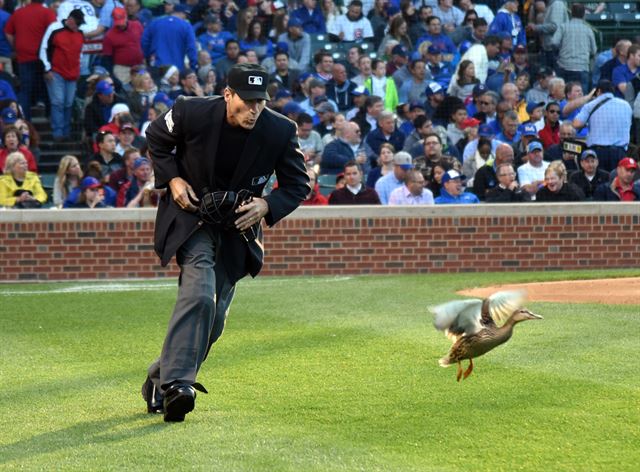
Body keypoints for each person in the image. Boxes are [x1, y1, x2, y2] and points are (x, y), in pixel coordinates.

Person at [142, 64, 309, 422]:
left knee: (214, 320)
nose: (254, 110)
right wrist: (172, 180)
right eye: (246, 102)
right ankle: (177, 387)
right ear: (227, 94)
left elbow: (298, 184)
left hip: (238, 230)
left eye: (260, 103)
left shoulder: (280, 130)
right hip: (192, 219)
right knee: (200, 294)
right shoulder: (191, 110)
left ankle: (161, 376)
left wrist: (267, 204)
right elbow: (156, 137)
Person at [3, 0, 57, 121]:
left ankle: (25, 120)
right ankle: (50, 117)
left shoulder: (19, 13)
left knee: (25, 90)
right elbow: (55, 33)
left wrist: (16, 46)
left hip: (24, 56)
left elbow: (8, 32)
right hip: (42, 58)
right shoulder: (48, 13)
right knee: (47, 89)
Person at [39, 8, 85, 141]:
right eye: (77, 23)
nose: (78, 26)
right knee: (58, 102)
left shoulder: (80, 34)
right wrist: (46, 69)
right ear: (70, 20)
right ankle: (58, 132)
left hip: (72, 74)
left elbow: (80, 53)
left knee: (68, 103)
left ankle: (66, 131)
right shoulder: (55, 29)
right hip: (56, 72)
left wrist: (79, 69)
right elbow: (44, 48)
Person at [573, 80, 632, 172]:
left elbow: (576, 124)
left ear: (598, 91)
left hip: (598, 153)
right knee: (617, 183)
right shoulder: (626, 105)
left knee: (599, 183)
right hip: (619, 152)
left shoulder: (591, 105)